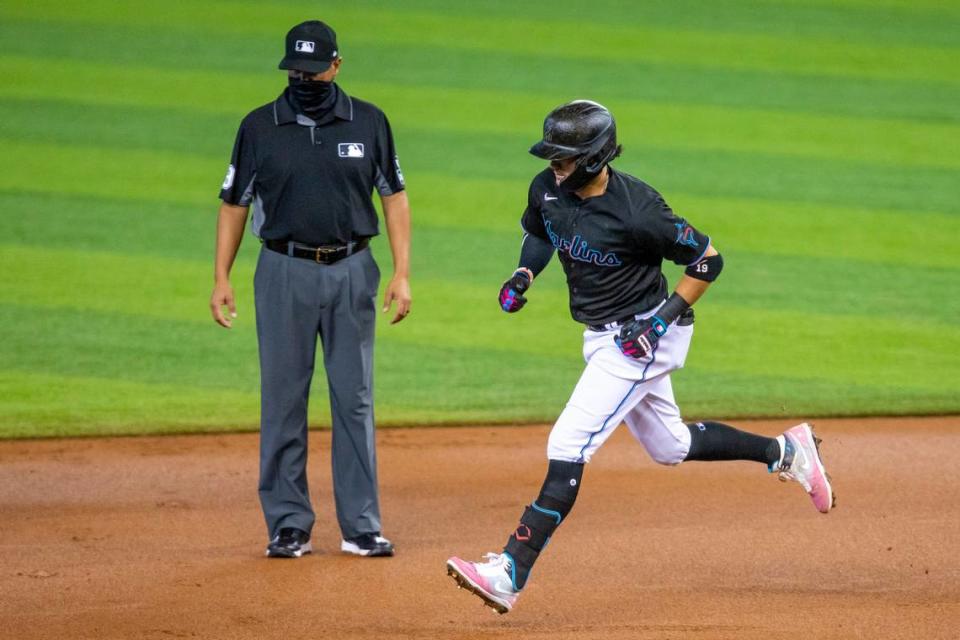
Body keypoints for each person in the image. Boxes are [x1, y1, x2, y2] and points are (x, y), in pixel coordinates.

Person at [446, 100, 835, 613]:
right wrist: (524, 274)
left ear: (592, 158)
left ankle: (510, 570)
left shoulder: (640, 211)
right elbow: (540, 233)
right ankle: (786, 451)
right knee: (669, 445)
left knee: (569, 441)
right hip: (603, 335)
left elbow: (708, 260)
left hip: (643, 337)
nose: (553, 166)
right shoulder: (546, 187)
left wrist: (659, 321)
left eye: (563, 157)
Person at [210, 20, 411, 559]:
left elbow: (394, 196)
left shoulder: (368, 121)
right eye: (295, 69)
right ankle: (288, 523)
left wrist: (401, 272)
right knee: (283, 400)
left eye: (313, 69)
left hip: (353, 271)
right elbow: (235, 205)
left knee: (354, 400)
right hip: (282, 272)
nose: (304, 78)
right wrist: (221, 277)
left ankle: (361, 526)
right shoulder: (259, 127)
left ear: (336, 66)